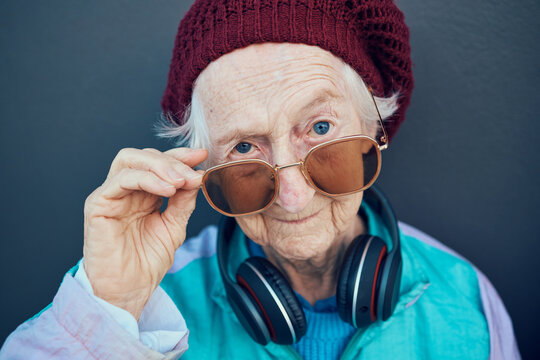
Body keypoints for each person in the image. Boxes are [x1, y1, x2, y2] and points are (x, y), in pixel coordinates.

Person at [0, 0, 520, 359]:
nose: (292, 197)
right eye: (245, 148)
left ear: (372, 132)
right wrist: (109, 308)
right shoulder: (145, 301)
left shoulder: (466, 300)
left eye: (319, 128)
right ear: (206, 172)